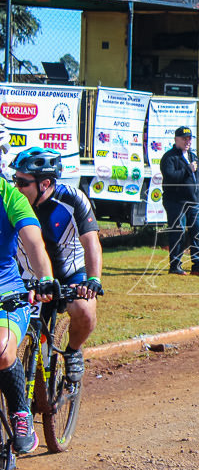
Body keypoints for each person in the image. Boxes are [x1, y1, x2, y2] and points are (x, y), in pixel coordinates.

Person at [12, 147, 102, 389]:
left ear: (45, 183)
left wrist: (93, 280)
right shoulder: (14, 202)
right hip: (30, 276)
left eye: (22, 182)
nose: (17, 187)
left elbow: (91, 241)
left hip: (70, 274)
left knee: (84, 310)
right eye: (15, 180)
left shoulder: (72, 199)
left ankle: (72, 352)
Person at [0, 130, 58, 454]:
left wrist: (45, 277)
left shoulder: (11, 197)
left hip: (5, 290)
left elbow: (34, 242)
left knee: (2, 349)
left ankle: (20, 411)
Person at [160, 126, 199, 277]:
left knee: (198, 233)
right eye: (184, 138)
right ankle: (175, 265)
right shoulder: (169, 157)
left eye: (189, 139)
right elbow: (170, 177)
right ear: (176, 139)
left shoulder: (193, 157)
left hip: (195, 201)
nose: (187, 141)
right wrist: (187, 169)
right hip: (176, 202)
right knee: (178, 232)